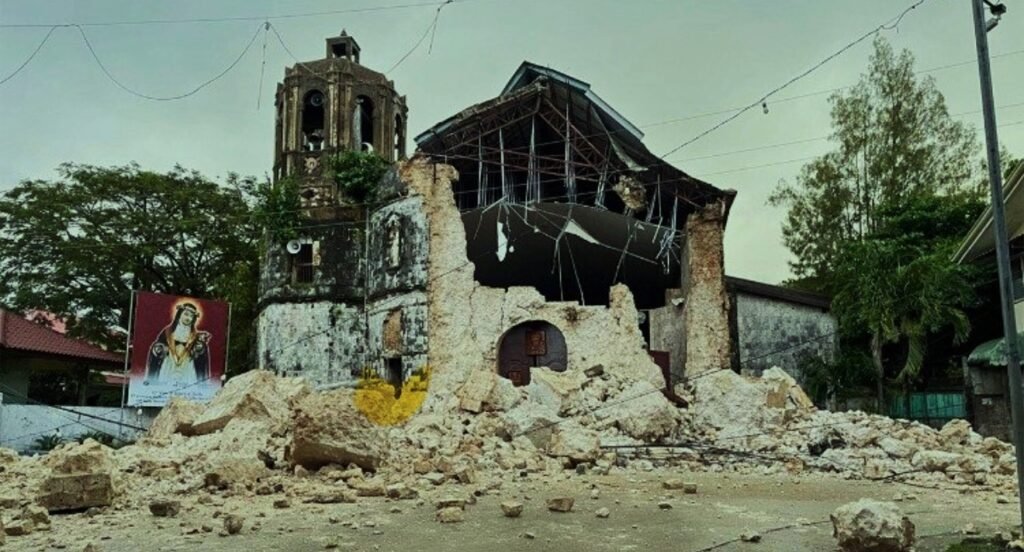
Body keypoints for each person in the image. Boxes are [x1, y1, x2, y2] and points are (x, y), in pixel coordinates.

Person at [144, 302, 211, 385]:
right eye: (186, 314)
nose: (188, 318)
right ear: (180, 314)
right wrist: (160, 348)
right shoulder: (167, 332)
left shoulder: (195, 335)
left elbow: (200, 355)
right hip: (169, 364)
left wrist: (200, 348)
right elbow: (158, 347)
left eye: (191, 316)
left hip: (187, 366)